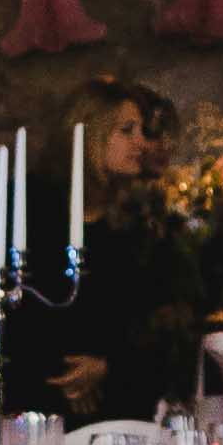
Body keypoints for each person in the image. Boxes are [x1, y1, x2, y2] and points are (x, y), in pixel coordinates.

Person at [50, 78, 194, 420]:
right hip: (44, 390)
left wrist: (106, 367)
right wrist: (71, 377)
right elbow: (16, 303)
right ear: (90, 134)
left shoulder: (144, 218)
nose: (141, 143)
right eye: (126, 131)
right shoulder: (36, 204)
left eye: (141, 131)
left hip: (121, 399)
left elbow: (159, 318)